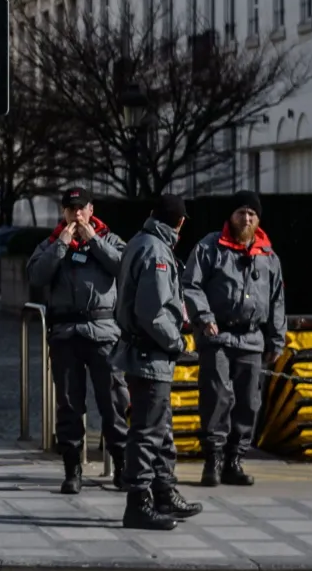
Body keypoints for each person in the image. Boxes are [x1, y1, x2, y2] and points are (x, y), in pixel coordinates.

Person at [26, 187, 130, 494]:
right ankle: (72, 469)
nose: (76, 215)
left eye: (81, 208)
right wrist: (61, 245)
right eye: (71, 210)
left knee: (112, 402)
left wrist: (93, 241)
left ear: (91, 210)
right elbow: (36, 276)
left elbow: (121, 267)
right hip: (66, 334)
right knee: (69, 405)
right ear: (64, 212)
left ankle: (122, 466)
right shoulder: (50, 243)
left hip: (103, 333)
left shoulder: (109, 239)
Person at [181, 190, 286, 487]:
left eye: (252, 214)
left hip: (252, 339)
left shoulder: (268, 256)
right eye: (241, 212)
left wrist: (276, 340)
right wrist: (204, 317)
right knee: (216, 397)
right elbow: (191, 284)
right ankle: (212, 460)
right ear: (231, 216)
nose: (247, 218)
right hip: (218, 337)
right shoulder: (210, 247)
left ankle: (234, 460)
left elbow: (277, 300)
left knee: (249, 402)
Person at [113, 193, 203, 531]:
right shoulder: (156, 251)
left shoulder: (141, 242)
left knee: (160, 428)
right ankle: (139, 502)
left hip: (145, 352)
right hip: (150, 353)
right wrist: (177, 341)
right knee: (148, 431)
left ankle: (163, 491)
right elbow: (153, 313)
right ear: (179, 222)